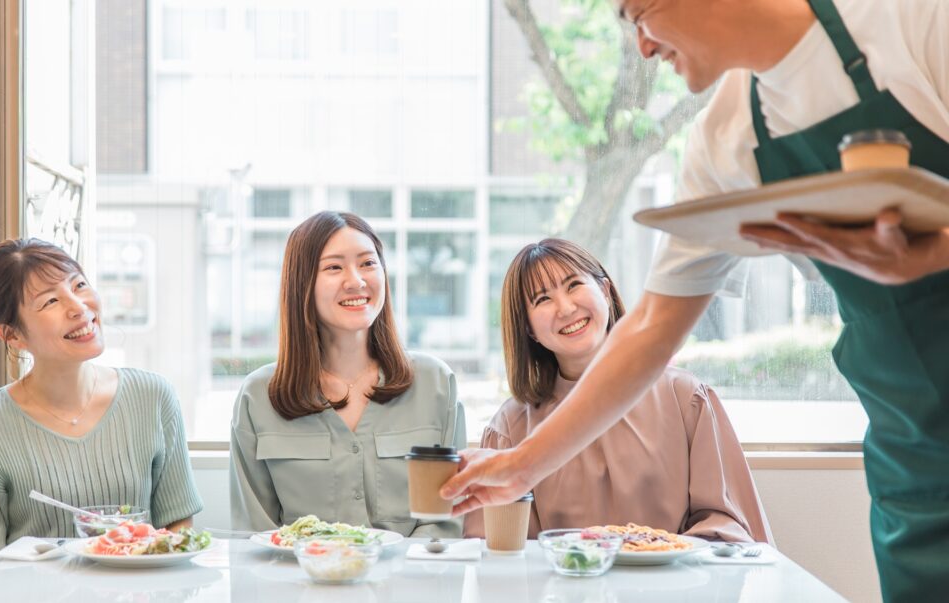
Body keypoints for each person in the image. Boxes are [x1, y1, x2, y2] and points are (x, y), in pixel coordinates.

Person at [441, 1, 949, 600]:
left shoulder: (914, 21)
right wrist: (521, 467)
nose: (644, 48)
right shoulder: (727, 137)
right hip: (912, 439)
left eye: (637, 15)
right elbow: (654, 327)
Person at [463, 239, 770, 543]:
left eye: (573, 285)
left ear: (605, 291)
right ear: (528, 329)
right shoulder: (509, 428)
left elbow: (729, 527)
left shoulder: (685, 398)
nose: (566, 308)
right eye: (542, 299)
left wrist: (660, 556)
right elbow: (498, 557)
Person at [0, 239, 203, 571]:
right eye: (51, 301)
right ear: (12, 335)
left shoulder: (153, 397)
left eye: (79, 285)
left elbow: (177, 529)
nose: (78, 307)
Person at [230, 211, 467, 538]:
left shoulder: (436, 384)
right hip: (297, 586)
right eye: (334, 267)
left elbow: (444, 523)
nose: (356, 280)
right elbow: (254, 534)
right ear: (302, 285)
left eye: (368, 263)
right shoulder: (258, 396)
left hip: (410, 585)